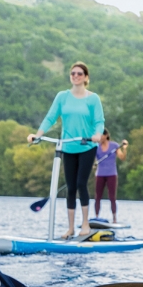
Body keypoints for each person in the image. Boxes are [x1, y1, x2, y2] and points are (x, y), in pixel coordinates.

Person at [28, 62, 104, 239]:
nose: (75, 76)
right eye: (73, 73)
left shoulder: (93, 99)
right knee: (70, 187)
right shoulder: (62, 97)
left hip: (86, 146)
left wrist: (97, 134)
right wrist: (37, 135)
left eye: (79, 73)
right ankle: (70, 228)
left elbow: (99, 121)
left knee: (81, 184)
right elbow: (50, 118)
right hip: (67, 146)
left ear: (86, 77)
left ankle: (85, 224)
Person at [93, 128, 127, 222]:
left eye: (101, 136)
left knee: (112, 197)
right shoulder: (97, 147)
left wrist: (124, 148)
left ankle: (114, 218)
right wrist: (94, 165)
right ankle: (96, 217)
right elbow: (94, 160)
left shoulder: (114, 146)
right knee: (97, 197)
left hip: (111, 174)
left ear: (106, 135)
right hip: (100, 174)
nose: (100, 138)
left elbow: (122, 157)